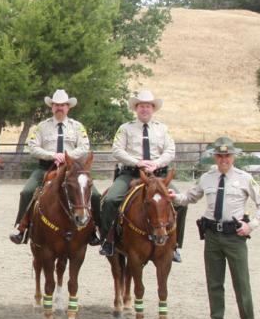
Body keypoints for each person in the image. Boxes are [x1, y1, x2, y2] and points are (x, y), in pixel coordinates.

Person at [172, 136, 260, 319]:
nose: (223, 159)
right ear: (214, 157)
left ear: (233, 156)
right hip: (212, 237)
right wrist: (173, 196)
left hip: (234, 237)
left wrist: (250, 225)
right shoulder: (207, 178)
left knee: (241, 283)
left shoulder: (244, 178)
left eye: (227, 155)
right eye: (220, 155)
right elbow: (190, 197)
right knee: (214, 283)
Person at [99, 88, 188, 262]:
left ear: (153, 109)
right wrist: (137, 162)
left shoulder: (162, 129)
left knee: (181, 203)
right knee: (110, 200)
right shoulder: (125, 129)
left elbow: (170, 150)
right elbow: (116, 150)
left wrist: (157, 163)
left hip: (159, 176)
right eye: (141, 106)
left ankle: (175, 244)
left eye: (148, 106)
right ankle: (107, 240)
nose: (145, 109)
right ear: (136, 108)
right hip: (130, 174)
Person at [10, 89, 101, 244]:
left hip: (72, 169)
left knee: (95, 195)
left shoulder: (77, 127)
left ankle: (94, 228)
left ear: (68, 107)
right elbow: (33, 147)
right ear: (51, 107)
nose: (60, 108)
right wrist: (52, 155)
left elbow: (85, 146)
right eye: (56, 105)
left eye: (63, 105)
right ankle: (22, 227)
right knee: (27, 192)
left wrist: (68, 156)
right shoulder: (41, 127)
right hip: (46, 168)